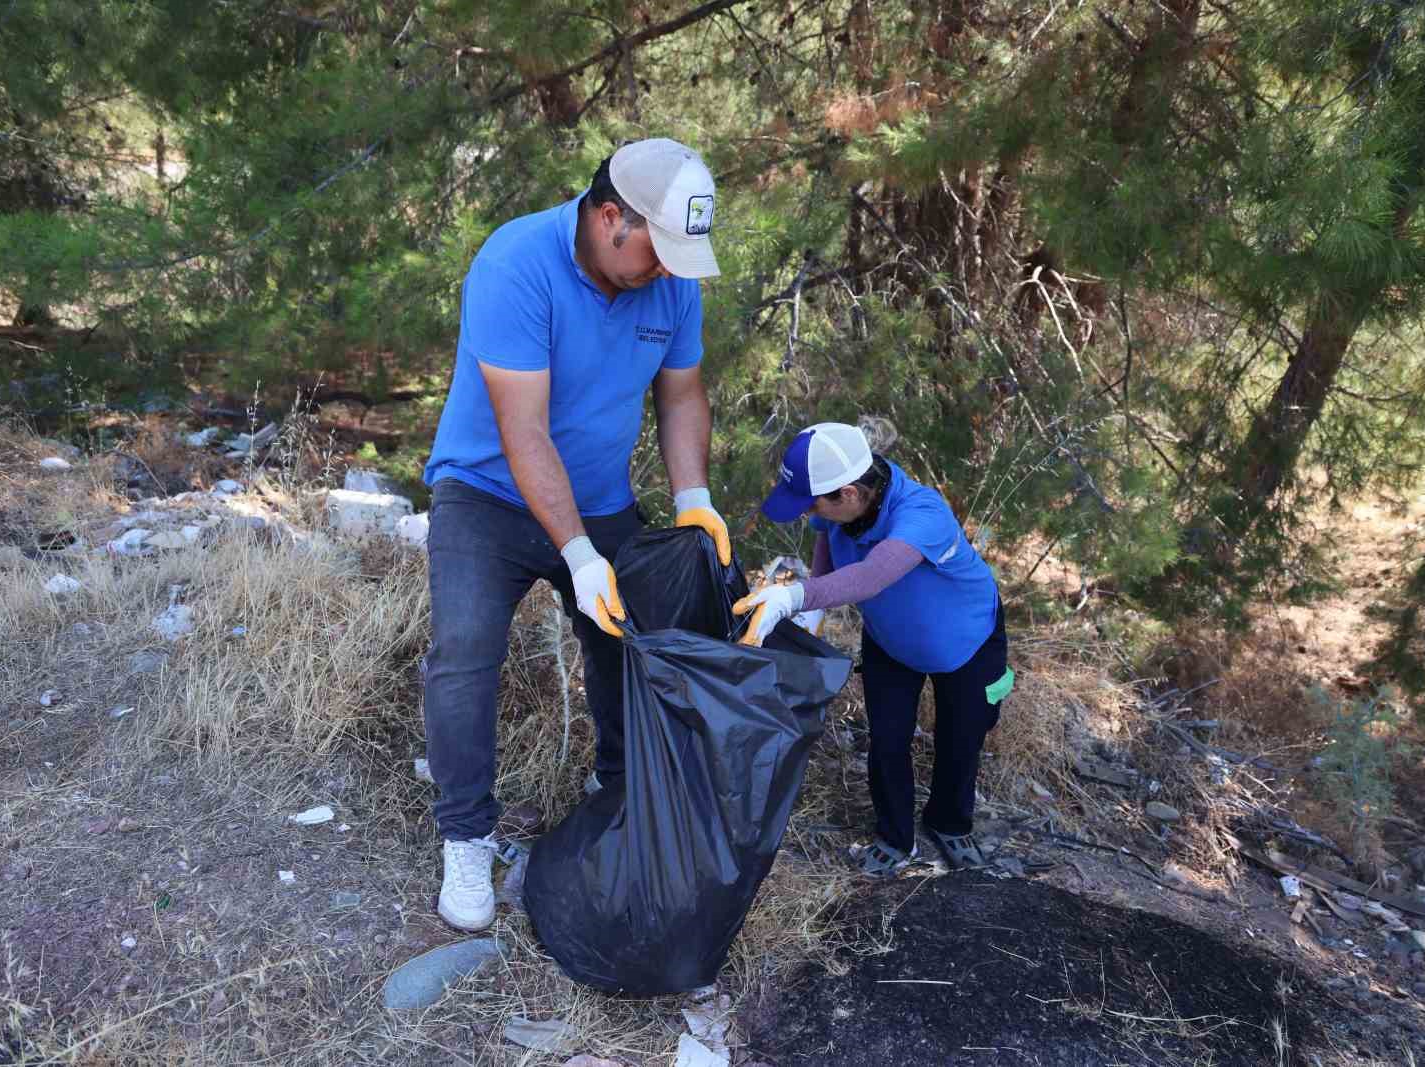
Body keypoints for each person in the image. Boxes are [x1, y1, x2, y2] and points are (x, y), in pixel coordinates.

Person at [421, 138, 734, 931]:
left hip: (598, 496)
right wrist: (579, 554)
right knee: (464, 655)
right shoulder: (516, 264)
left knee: (625, 649)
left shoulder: (670, 283)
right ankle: (465, 836)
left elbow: (682, 393)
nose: (666, 269)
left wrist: (693, 495)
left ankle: (620, 797)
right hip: (485, 494)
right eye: (656, 250)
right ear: (607, 217)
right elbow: (523, 432)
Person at [733, 423, 1013, 876]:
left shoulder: (923, 513)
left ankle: (950, 823)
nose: (808, 515)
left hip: (967, 640)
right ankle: (894, 837)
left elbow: (871, 576)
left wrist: (793, 597)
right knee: (887, 739)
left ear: (847, 493)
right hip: (890, 639)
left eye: (811, 505)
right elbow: (826, 533)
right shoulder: (843, 501)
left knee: (963, 736)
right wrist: (812, 613)